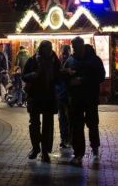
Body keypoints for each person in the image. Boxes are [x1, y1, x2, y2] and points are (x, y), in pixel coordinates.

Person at [21, 40, 69, 162]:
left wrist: (64, 74)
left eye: (51, 47)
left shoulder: (54, 60)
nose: (50, 50)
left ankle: (45, 151)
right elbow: (24, 75)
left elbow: (58, 76)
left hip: (49, 95)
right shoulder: (33, 60)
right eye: (47, 48)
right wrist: (31, 75)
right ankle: (36, 148)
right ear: (41, 48)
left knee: (48, 124)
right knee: (34, 123)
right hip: (35, 95)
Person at [64, 37, 106, 166]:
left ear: (82, 46)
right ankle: (78, 154)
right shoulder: (70, 60)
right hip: (75, 98)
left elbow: (100, 76)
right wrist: (66, 76)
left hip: (90, 97)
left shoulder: (94, 60)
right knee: (77, 126)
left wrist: (82, 80)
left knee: (92, 123)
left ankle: (95, 149)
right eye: (73, 47)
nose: (74, 49)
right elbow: (64, 77)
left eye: (76, 46)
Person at [57, 45, 71, 148]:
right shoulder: (71, 61)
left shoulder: (58, 62)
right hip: (65, 94)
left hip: (62, 94)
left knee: (64, 118)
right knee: (66, 117)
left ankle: (65, 139)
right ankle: (66, 139)